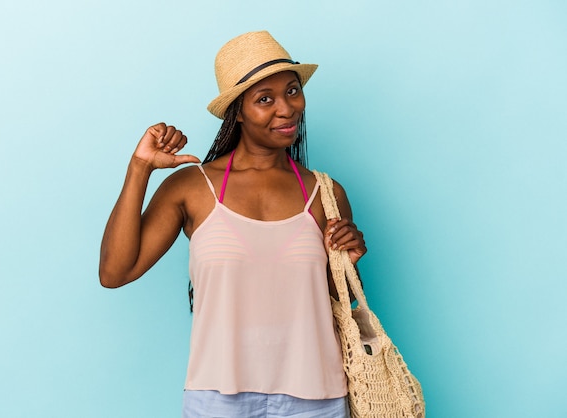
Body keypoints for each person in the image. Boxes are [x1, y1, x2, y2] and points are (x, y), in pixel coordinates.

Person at [99, 31, 367, 418]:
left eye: (292, 91)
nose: (287, 108)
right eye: (265, 99)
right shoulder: (193, 187)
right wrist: (140, 168)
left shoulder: (325, 193)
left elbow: (330, 303)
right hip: (218, 399)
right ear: (237, 111)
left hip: (316, 399)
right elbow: (114, 271)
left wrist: (349, 265)